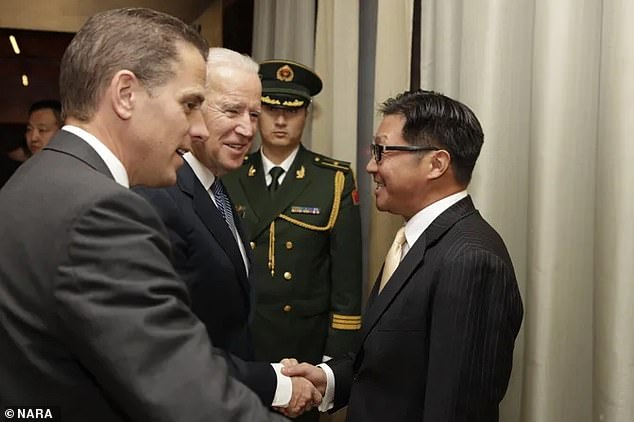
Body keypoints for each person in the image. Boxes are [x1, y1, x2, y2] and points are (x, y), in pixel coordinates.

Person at [0, 8, 287, 422]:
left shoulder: (36, 177)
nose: (199, 130)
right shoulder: (103, 212)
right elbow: (191, 398)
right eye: (189, 104)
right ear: (125, 94)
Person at [283, 89, 524, 421]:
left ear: (436, 164)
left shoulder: (470, 260)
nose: (370, 166)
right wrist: (328, 378)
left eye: (382, 152)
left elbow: (456, 409)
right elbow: (395, 364)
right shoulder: (415, 239)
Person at [134, 47, 319, 413]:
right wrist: (276, 385)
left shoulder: (217, 187)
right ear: (193, 107)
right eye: (232, 111)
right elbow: (163, 345)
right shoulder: (159, 193)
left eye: (254, 114)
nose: (248, 129)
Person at [224, 59, 362, 365]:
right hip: (241, 336)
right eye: (272, 109)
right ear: (258, 113)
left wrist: (336, 354)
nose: (281, 121)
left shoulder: (333, 179)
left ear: (307, 115)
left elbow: (347, 279)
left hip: (301, 344)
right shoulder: (228, 173)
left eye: (293, 110)